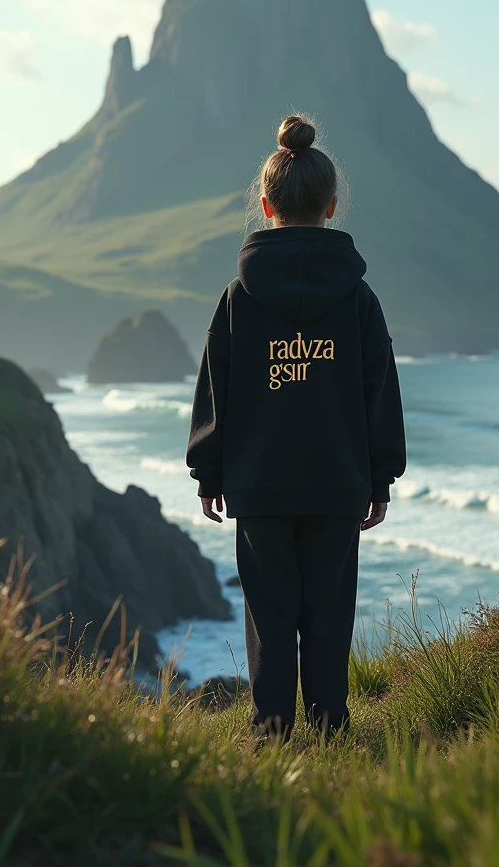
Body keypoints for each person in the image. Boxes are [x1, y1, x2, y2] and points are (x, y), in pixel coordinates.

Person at [186, 114, 406, 740]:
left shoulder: (239, 296)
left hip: (260, 486)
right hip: (338, 484)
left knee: (271, 613)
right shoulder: (359, 300)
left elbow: (216, 387)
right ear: (332, 206)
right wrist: (380, 477)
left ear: (264, 205)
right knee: (329, 617)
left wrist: (210, 471)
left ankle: (272, 736)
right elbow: (378, 392)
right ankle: (331, 733)